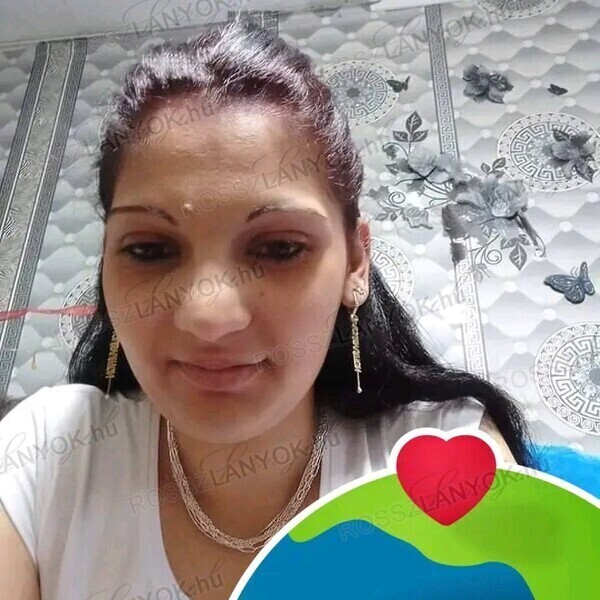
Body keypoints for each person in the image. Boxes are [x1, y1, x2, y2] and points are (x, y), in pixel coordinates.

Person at [0, 16, 533, 600]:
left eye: (279, 249)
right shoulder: (42, 459)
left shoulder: (447, 459)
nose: (208, 315)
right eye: (150, 249)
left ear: (355, 263)